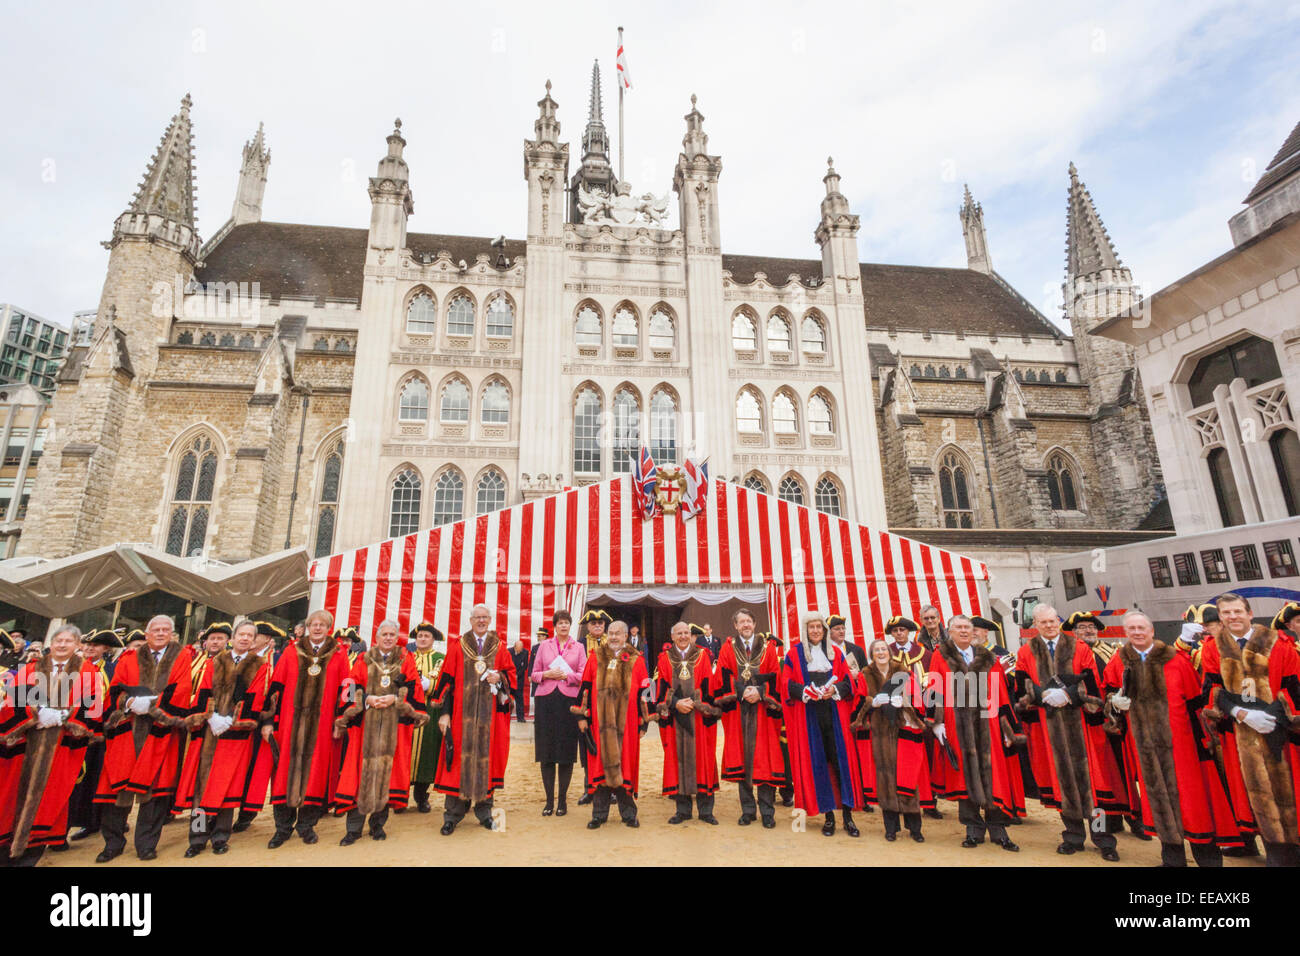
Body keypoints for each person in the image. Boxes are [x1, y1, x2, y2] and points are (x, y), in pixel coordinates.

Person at [1101, 612, 1238, 867]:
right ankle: (1172, 860)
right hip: (1144, 747)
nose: (1137, 632)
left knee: (1194, 803)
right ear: (1125, 632)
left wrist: (1205, 742)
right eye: (1131, 628)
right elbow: (1108, 691)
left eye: (1141, 627)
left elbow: (1197, 702)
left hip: (1183, 746)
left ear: (1152, 631)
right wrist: (1113, 702)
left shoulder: (1176, 660)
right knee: (1158, 800)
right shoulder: (1119, 661)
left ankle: (1208, 860)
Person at [1200, 591, 1300, 866]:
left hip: (1278, 730)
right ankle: (1274, 853)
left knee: (1287, 791)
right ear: (1220, 617)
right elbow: (1211, 689)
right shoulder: (1212, 648)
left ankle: (1289, 852)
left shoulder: (1278, 644)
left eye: (1237, 611)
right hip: (1238, 734)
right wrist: (1240, 712)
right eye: (1226, 613)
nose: (1232, 617)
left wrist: (1273, 714)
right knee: (1252, 792)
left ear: (1249, 613)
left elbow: (1294, 686)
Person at [1014, 604, 1120, 860]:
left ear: (1058, 620)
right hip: (1047, 728)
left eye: (1052, 621)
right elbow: (1021, 689)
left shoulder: (1079, 647)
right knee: (1061, 783)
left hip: (1080, 726)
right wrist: (1042, 697)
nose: (1049, 626)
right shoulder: (1025, 652)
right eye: (1043, 623)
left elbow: (1092, 682)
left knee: (1092, 785)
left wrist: (1069, 695)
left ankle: (1103, 839)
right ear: (1035, 625)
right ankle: (1073, 837)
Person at [92, 614, 195, 862]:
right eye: (156, 629)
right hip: (127, 731)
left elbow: (182, 691)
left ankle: (146, 844)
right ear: (146, 634)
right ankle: (113, 843)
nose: (160, 633)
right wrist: (127, 703)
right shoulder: (129, 658)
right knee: (115, 790)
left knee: (155, 794)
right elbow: (115, 689)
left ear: (172, 634)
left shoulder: (182, 658)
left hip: (161, 732)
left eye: (165, 630)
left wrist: (152, 705)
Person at [0, 625, 101, 866]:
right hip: (23, 750)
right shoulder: (31, 668)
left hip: (60, 751)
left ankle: (30, 856)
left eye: (68, 641)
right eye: (58, 640)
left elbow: (94, 709)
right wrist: (35, 713)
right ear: (51, 643)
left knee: (48, 802)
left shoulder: (88, 673)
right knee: (10, 803)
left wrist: (63, 717)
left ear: (78, 645)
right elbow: (12, 703)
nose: (62, 644)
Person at [173, 619, 271, 857]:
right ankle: (197, 838)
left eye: (250, 635)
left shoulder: (260, 665)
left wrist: (232, 720)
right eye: (242, 634)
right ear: (233, 637)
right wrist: (211, 716)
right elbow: (204, 690)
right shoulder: (215, 661)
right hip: (209, 732)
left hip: (236, 735)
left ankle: (220, 837)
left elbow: (256, 697)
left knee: (228, 787)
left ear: (255, 639)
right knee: (202, 787)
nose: (245, 638)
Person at [929, 616, 1025, 852]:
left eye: (967, 628)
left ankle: (998, 829)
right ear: (949, 631)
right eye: (958, 628)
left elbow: (1001, 692)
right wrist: (935, 722)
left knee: (992, 775)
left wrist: (1007, 730)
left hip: (988, 723)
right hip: (956, 722)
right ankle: (973, 829)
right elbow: (933, 688)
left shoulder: (987, 657)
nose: (963, 631)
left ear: (973, 632)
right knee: (965, 774)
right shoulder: (940, 655)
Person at [263, 609, 351, 848]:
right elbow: (276, 687)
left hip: (322, 726)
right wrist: (270, 720)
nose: (318, 628)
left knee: (315, 774)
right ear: (308, 625)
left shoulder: (340, 654)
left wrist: (341, 719)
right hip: (291, 724)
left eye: (323, 624)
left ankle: (306, 825)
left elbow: (348, 688)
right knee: (284, 774)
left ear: (329, 628)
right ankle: (282, 828)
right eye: (314, 623)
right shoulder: (291, 651)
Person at [333, 620, 427, 845]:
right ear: (376, 637)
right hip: (366, 727)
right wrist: (367, 699)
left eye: (392, 634)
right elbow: (350, 687)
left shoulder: (406, 659)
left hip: (393, 727)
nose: (388, 638)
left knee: (386, 776)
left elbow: (414, 688)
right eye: (384, 634)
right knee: (359, 775)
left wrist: (396, 699)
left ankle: (377, 826)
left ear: (397, 638)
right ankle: (353, 829)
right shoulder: (364, 659)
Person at [432, 603, 515, 834]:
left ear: (490, 620)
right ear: (470, 620)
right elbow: (447, 681)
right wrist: (445, 713)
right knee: (457, 763)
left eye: (485, 618)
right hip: (461, 718)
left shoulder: (499, 647)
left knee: (485, 762)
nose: (481, 621)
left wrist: (499, 677)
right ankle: (452, 816)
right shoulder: (458, 646)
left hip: (490, 720)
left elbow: (511, 676)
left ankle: (484, 813)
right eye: (477, 617)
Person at [780, 613, 862, 837]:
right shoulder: (794, 654)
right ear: (805, 630)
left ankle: (848, 817)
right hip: (809, 717)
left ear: (824, 630)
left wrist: (834, 690)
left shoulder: (836, 653)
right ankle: (828, 817)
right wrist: (804, 691)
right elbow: (785, 683)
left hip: (834, 715)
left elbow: (848, 682)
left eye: (819, 627)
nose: (815, 630)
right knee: (819, 764)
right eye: (811, 627)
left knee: (839, 764)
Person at [852, 638, 932, 842]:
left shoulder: (903, 672)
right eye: (876, 650)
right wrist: (872, 703)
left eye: (883, 649)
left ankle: (915, 828)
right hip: (879, 734)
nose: (880, 652)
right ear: (872, 654)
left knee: (908, 777)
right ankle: (891, 827)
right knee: (885, 779)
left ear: (889, 652)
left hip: (903, 730)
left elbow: (917, 699)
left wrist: (904, 702)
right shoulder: (865, 675)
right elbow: (858, 701)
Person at [714, 608, 786, 828]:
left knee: (764, 761)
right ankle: (748, 811)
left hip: (763, 713)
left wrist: (761, 692)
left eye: (749, 621)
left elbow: (776, 676)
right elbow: (722, 677)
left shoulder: (769, 649)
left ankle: (767, 812)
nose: (745, 625)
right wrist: (742, 692)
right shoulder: (728, 648)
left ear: (754, 624)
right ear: (735, 626)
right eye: (741, 621)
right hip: (738, 712)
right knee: (743, 761)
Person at [574, 620, 649, 828]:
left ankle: (628, 814)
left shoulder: (637, 660)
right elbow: (585, 688)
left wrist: (644, 723)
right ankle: (599, 814)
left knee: (625, 767)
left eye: (618, 633)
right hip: (600, 724)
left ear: (626, 636)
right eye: (611, 633)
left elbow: (645, 693)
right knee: (601, 766)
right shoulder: (596, 657)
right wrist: (582, 717)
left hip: (628, 724)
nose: (614, 637)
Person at [656, 620, 721, 824]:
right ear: (672, 636)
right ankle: (683, 811)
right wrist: (675, 703)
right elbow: (661, 688)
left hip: (699, 718)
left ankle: (705, 811)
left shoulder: (702, 656)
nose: (683, 636)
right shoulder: (664, 659)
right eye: (679, 633)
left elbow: (708, 686)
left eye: (686, 633)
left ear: (691, 635)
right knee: (678, 761)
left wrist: (694, 702)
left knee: (704, 759)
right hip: (676, 720)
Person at [66, 629, 121, 842]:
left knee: (94, 778)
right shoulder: (72, 668)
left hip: (101, 734)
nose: (90, 648)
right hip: (73, 729)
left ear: (105, 648)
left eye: (95, 645)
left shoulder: (110, 669)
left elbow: (112, 699)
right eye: (87, 644)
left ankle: (92, 821)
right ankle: (63, 826)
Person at [531, 610, 586, 816]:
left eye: (566, 623)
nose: (563, 626)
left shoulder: (579, 647)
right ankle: (548, 801)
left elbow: (583, 674)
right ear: (554, 626)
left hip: (569, 700)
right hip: (546, 700)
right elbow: (533, 675)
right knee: (546, 752)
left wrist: (567, 676)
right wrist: (547, 674)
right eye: (560, 623)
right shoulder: (543, 646)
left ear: (570, 626)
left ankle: (562, 800)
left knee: (565, 752)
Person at [232, 621, 282, 833]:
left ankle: (246, 814)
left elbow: (277, 694)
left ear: (265, 639)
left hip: (261, 721)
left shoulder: (276, 659)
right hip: (232, 721)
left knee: (256, 769)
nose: (250, 638)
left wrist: (269, 722)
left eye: (255, 635)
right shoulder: (235, 657)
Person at [408, 622, 446, 813]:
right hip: (407, 711)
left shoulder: (441, 659)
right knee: (404, 752)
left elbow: (444, 683)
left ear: (433, 640)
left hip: (430, 711)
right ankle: (398, 796)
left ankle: (422, 797)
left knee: (427, 753)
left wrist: (429, 685)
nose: (422, 639)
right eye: (420, 636)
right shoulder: (407, 657)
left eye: (426, 636)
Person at [511, 637, 531, 722]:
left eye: (521, 648)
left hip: (519, 679)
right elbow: (506, 664)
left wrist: (517, 675)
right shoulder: (509, 651)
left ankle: (521, 717)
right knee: (508, 698)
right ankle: (506, 716)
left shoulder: (525, 652)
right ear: (515, 647)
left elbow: (525, 666)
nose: (520, 651)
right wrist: (511, 675)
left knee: (519, 698)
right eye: (518, 649)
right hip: (509, 678)